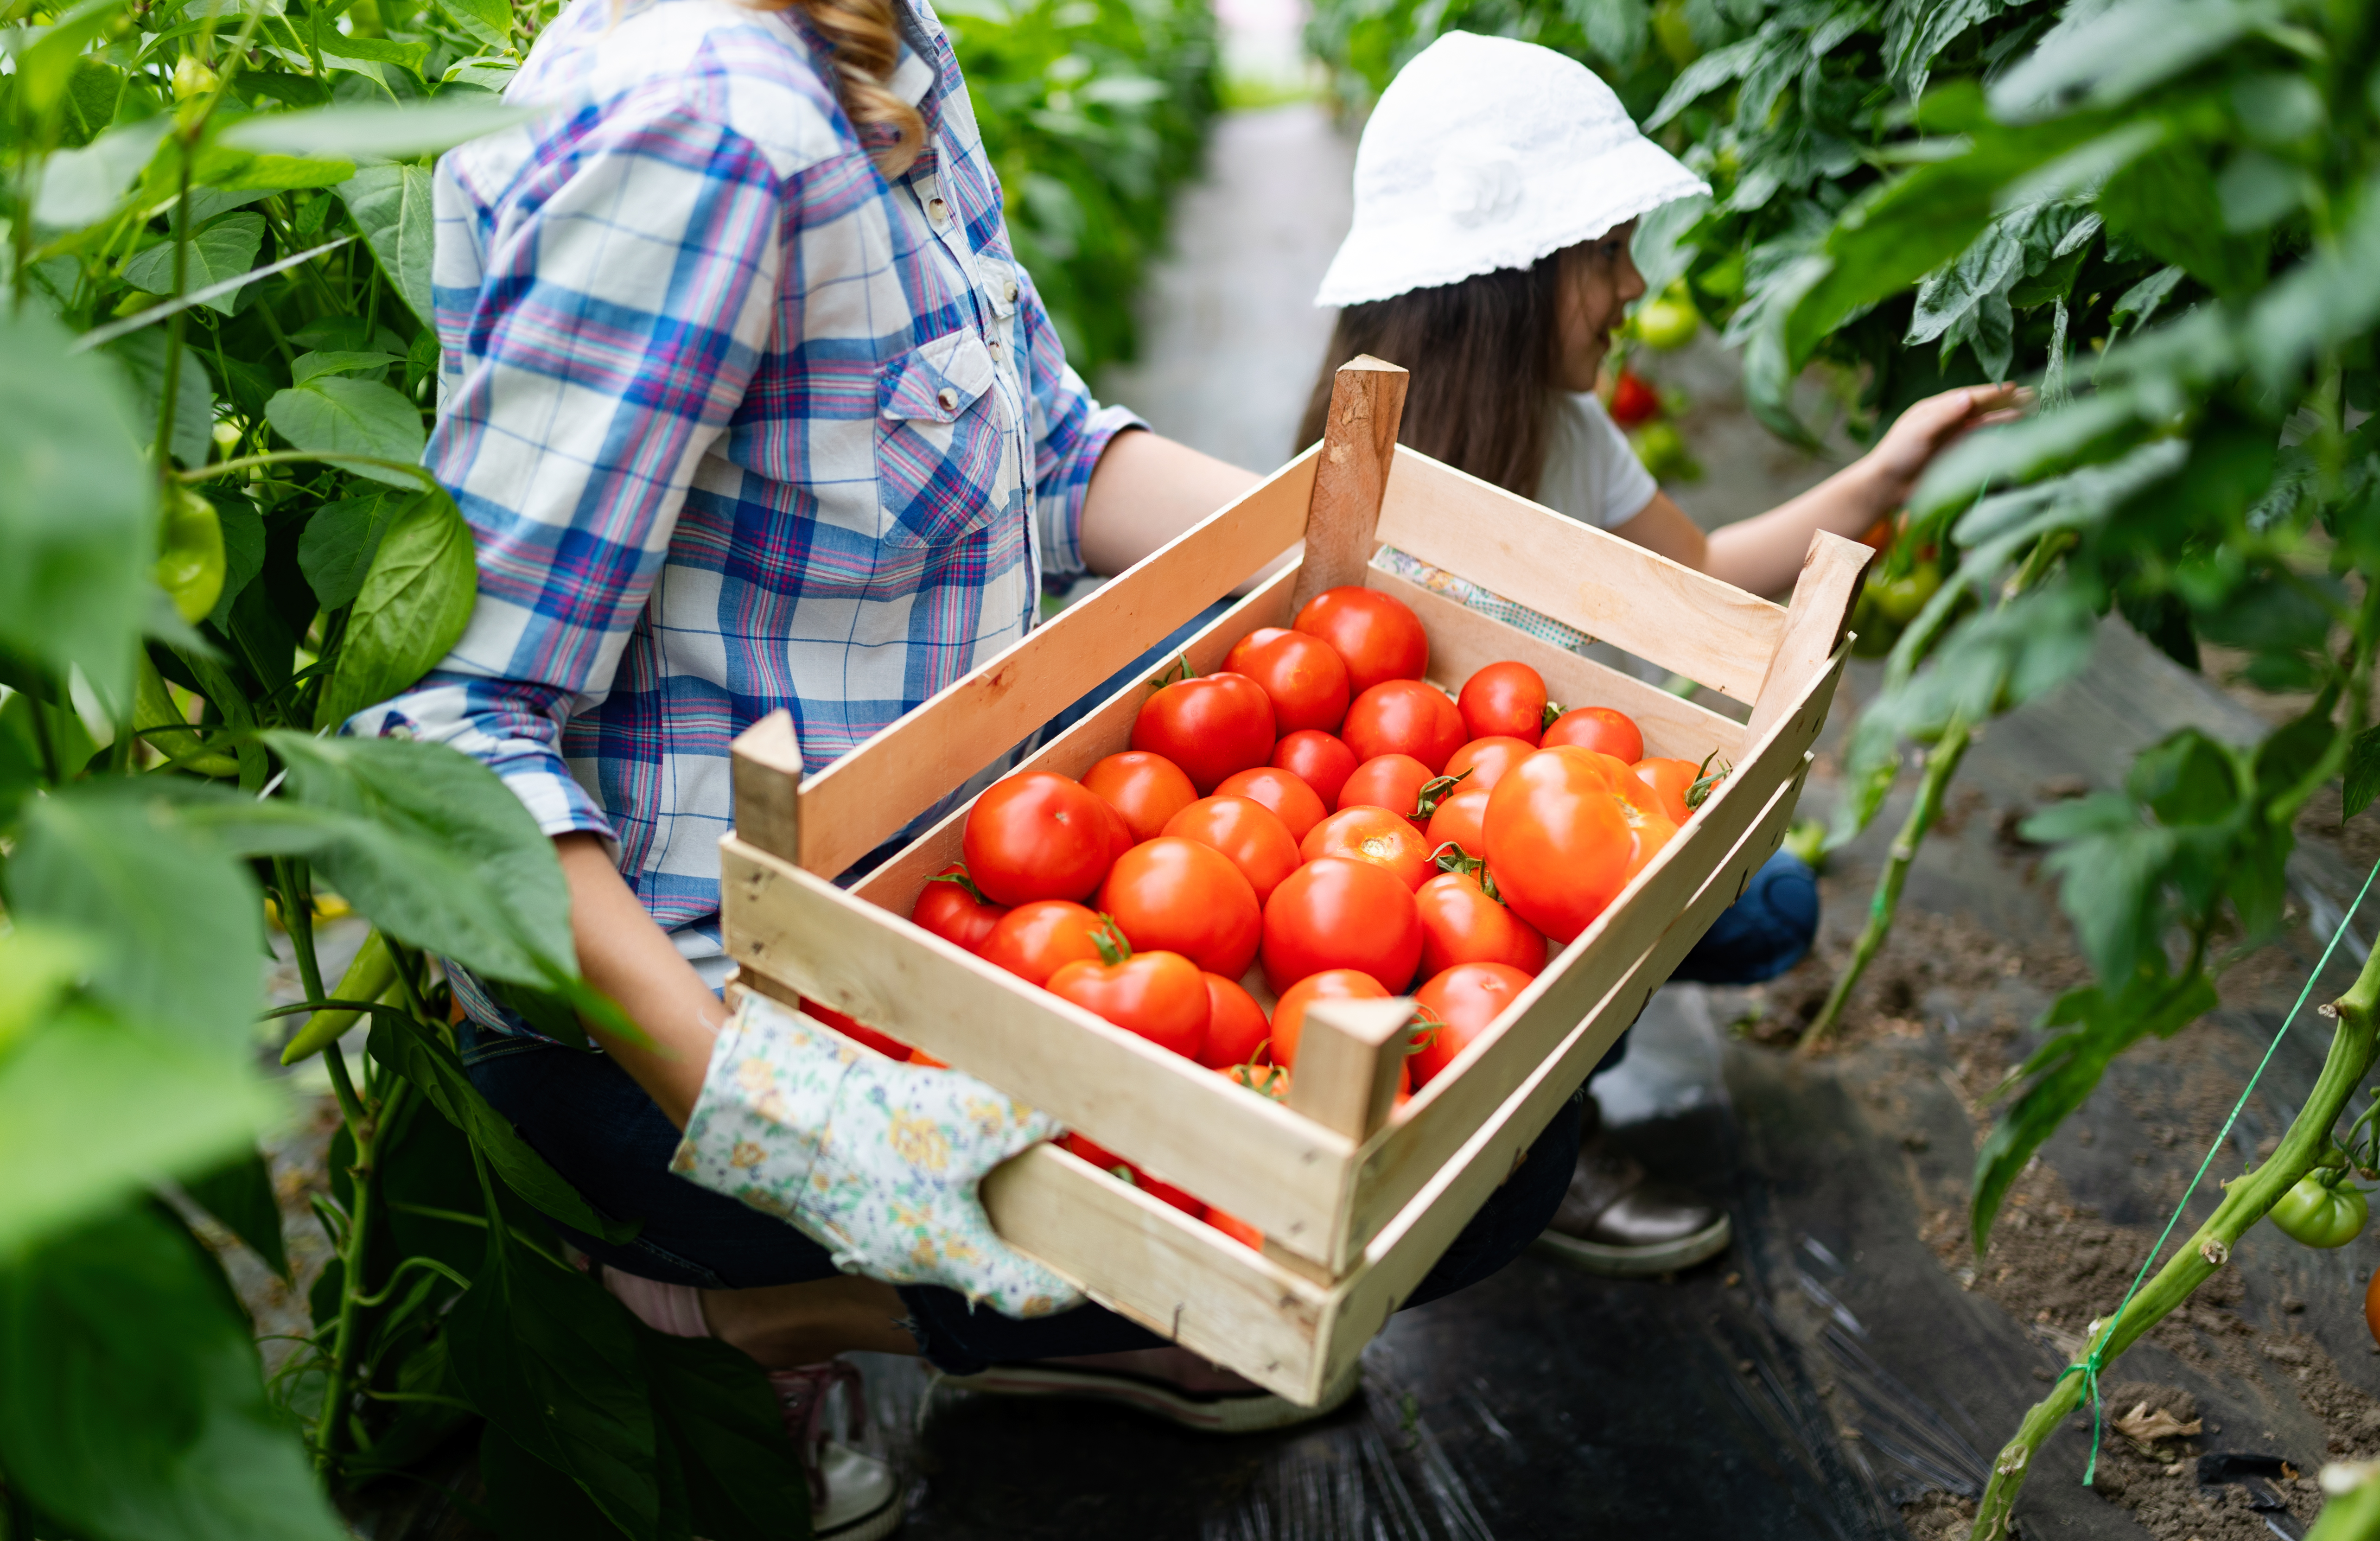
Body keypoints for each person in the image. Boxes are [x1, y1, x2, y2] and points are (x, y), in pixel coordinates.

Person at [369, 3, 1585, 1534]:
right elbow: (448, 727)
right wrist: (779, 1115)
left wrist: (1383, 569)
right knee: (1414, 1190)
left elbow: (1058, 452)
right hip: (684, 1012)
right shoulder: (709, 131)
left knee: (1489, 1124)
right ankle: (736, 1311)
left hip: (922, 913)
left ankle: (956, 1310)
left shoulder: (884, 44)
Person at [1301, 32, 2021, 1279]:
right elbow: (1329, 734)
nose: (1636, 287)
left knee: (1769, 902)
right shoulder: (1363, 475)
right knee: (1581, 920)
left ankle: (1547, 1102)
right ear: (1510, 279)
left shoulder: (1568, 433)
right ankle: (1533, 1145)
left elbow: (1699, 569)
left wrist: (1885, 473)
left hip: (1532, 823)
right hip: (1410, 864)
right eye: (1609, 254)